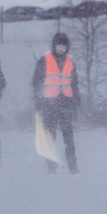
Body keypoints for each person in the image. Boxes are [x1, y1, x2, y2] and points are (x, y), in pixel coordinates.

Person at [32, 29, 79, 174]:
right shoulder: (44, 60)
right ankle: (51, 168)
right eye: (59, 45)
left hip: (66, 103)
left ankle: (73, 168)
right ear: (54, 45)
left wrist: (76, 103)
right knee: (50, 139)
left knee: (69, 139)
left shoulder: (70, 61)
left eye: (64, 45)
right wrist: (39, 101)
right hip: (49, 105)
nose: (61, 48)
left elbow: (74, 84)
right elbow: (36, 82)